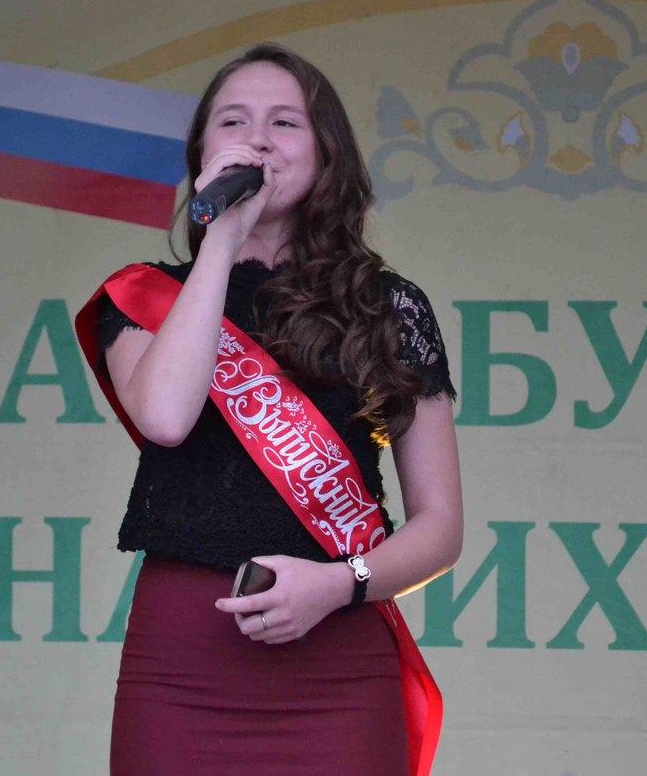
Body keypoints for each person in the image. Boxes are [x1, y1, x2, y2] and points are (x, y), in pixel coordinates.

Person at [83, 43, 463, 776]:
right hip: (181, 670)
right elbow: (165, 417)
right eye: (233, 122)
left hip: (338, 665)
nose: (257, 140)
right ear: (203, 153)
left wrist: (338, 584)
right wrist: (221, 240)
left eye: (284, 123)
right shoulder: (144, 296)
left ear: (326, 153)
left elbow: (441, 527)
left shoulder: (387, 306)